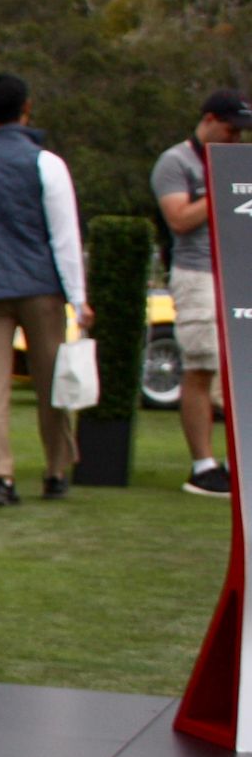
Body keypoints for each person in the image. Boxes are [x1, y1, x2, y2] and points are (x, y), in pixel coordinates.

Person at [0, 73, 91, 505]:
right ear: (26, 107)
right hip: (39, 286)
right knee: (52, 380)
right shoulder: (46, 163)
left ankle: (0, 478)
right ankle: (56, 469)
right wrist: (79, 298)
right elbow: (65, 236)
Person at [150, 90, 248, 498]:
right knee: (201, 365)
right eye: (230, 129)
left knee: (239, 371)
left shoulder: (239, 160)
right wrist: (221, 190)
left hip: (238, 271)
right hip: (196, 273)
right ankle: (203, 465)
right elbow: (178, 218)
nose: (236, 140)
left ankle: (235, 463)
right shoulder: (176, 162)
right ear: (209, 120)